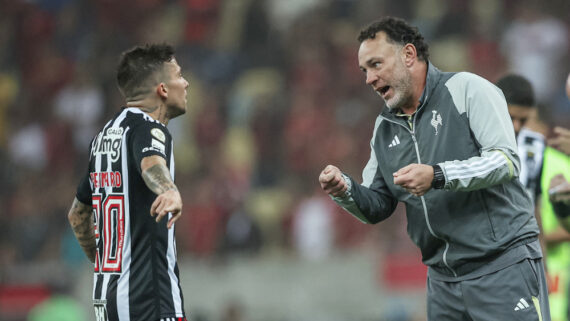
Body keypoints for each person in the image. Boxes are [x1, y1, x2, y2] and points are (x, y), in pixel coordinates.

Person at [319, 17, 550, 320]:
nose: (369, 79)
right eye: (364, 70)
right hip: (442, 284)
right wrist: (345, 191)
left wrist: (438, 175)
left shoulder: (469, 90)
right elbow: (377, 205)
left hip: (501, 267)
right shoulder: (384, 129)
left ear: (409, 55)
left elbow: (505, 161)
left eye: (376, 64)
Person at [67, 44, 189, 321]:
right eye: (179, 75)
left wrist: (111, 267)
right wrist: (168, 191)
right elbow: (151, 164)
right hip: (148, 302)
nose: (186, 82)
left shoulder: (103, 139)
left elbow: (77, 215)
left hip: (107, 300)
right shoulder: (148, 128)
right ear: (163, 89)